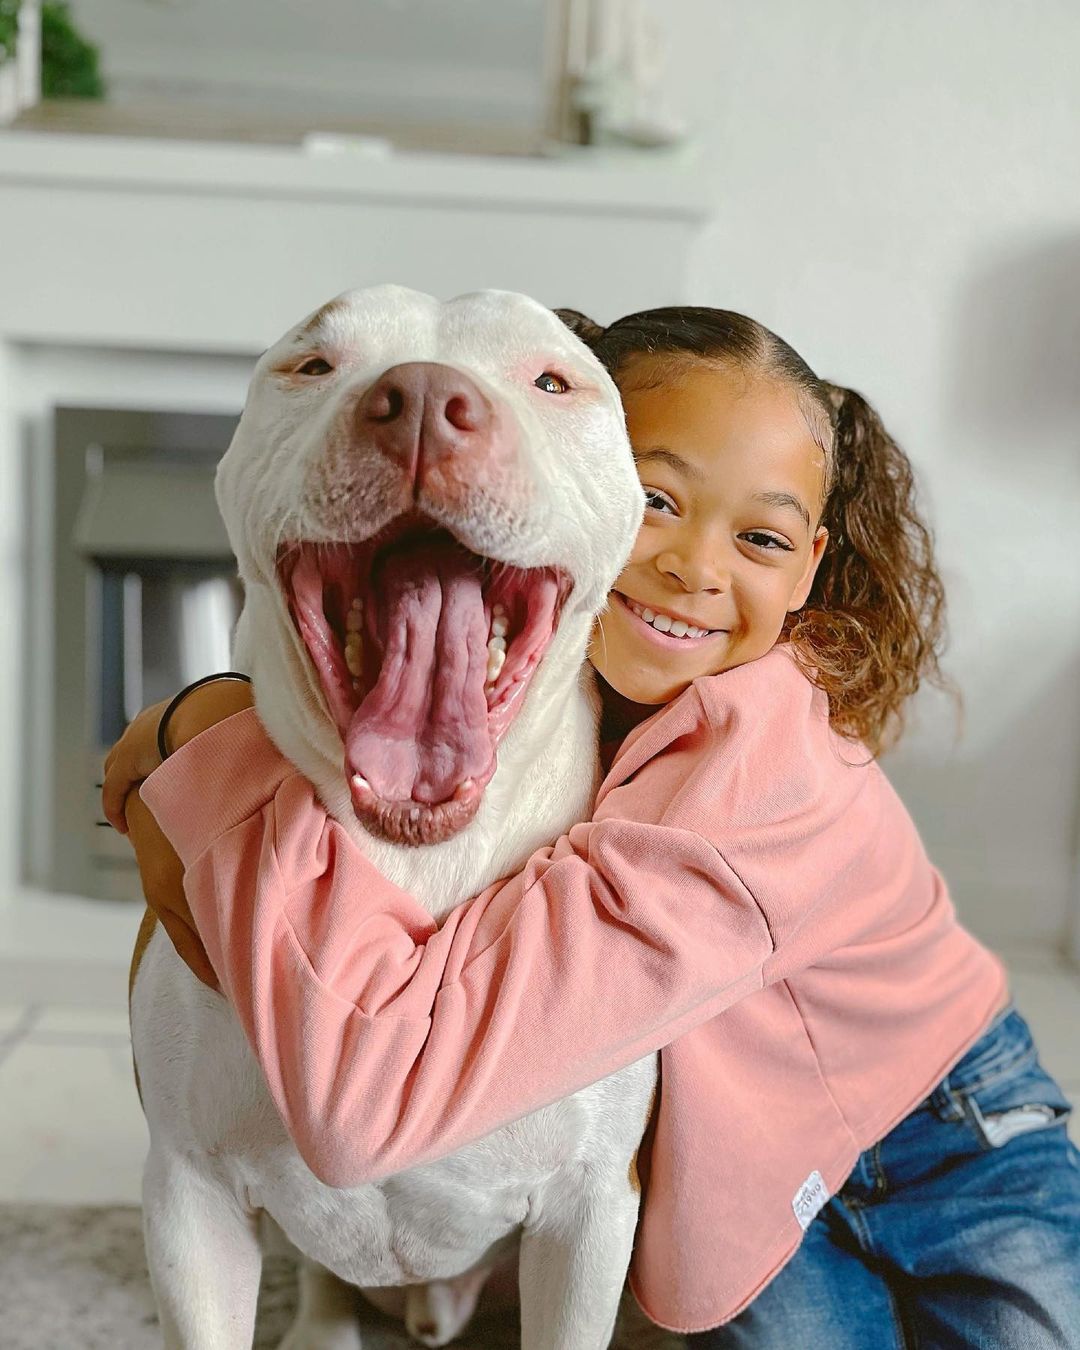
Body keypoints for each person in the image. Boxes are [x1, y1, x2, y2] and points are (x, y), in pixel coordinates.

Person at [103, 307, 1080, 1346]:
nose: (695, 568)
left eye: (758, 537)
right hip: (746, 1149)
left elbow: (369, 1099)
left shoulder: (761, 785)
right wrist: (209, 710)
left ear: (806, 568)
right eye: (657, 500)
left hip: (956, 1133)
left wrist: (205, 759)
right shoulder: (564, 687)